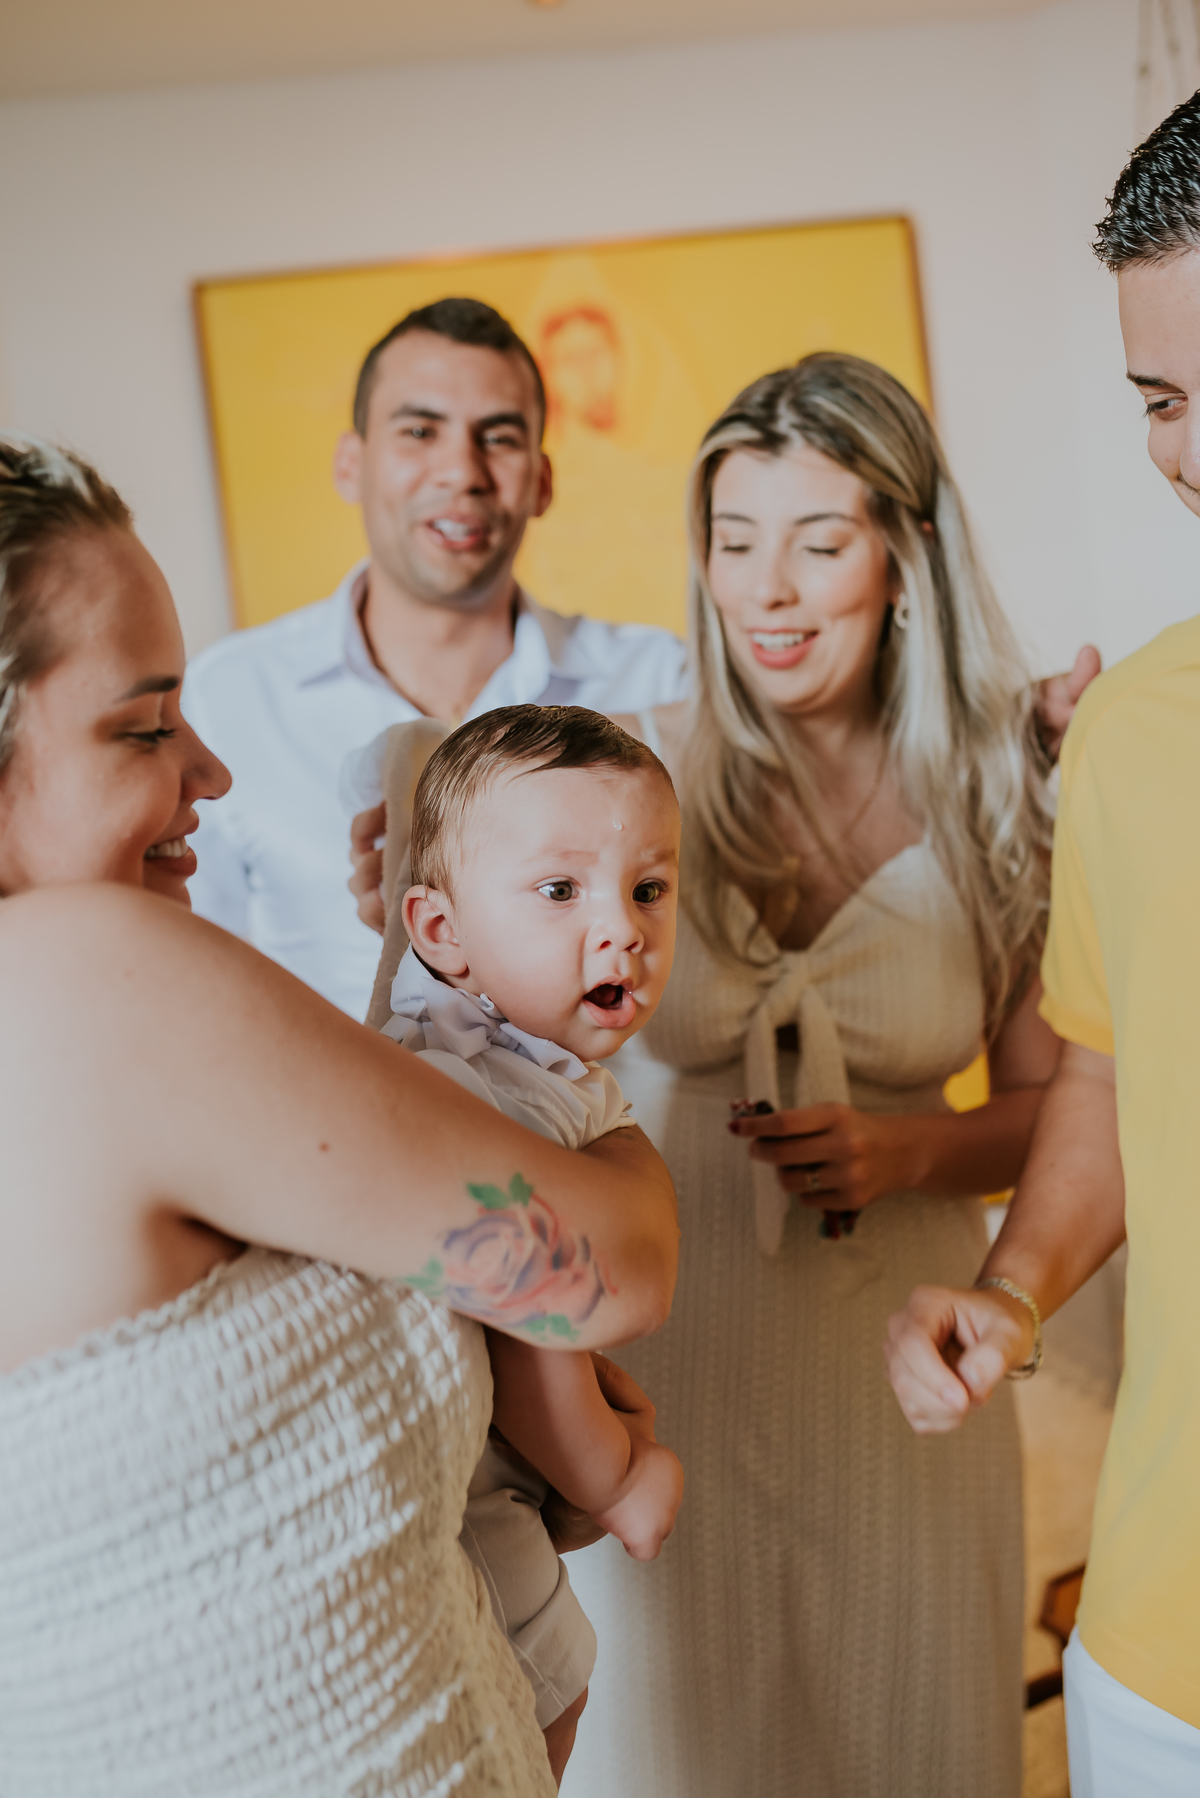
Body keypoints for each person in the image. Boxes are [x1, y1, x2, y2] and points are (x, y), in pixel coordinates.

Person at [0, 436, 679, 1797]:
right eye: (142, 728)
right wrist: (615, 1145)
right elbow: (608, 1267)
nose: (210, 769)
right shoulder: (85, 972)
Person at [542, 351, 1061, 1798]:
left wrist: (907, 1149)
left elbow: (1054, 1104)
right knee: (682, 1747)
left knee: (912, 1724)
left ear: (904, 558)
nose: (767, 590)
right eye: (735, 539)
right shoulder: (628, 771)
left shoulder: (1003, 790)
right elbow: (504, 1026)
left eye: (818, 543)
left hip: (897, 1354)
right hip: (663, 1353)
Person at [885, 93, 1200, 1796]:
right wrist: (1010, 1291)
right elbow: (1100, 1063)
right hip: (1167, 1655)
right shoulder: (1144, 728)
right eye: (1162, 399)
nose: (1191, 453)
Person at [183, 297, 688, 1018]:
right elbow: (193, 984)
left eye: (500, 437)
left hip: (601, 1122)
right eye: (420, 430)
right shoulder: (227, 697)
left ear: (542, 480)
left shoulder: (656, 679)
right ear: (351, 466)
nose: (462, 471)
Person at [355, 703, 686, 1782]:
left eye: (648, 888)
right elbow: (535, 1325)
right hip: (467, 1494)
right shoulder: (502, 1098)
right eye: (560, 891)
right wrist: (618, 1477)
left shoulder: (457, 1041)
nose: (623, 928)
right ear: (440, 932)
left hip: (450, 1456)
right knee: (547, 1688)